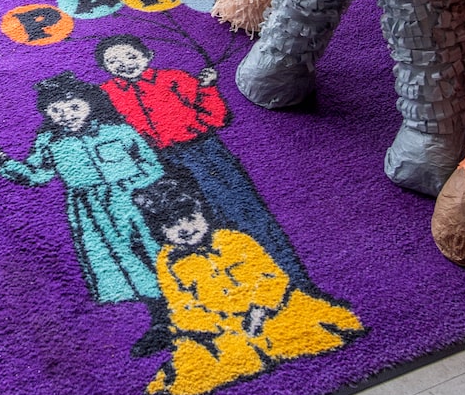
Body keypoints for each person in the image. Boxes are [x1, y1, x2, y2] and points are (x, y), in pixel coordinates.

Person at [95, 34, 310, 288]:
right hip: (155, 163)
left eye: (131, 56)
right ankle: (209, 289)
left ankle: (289, 279)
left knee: (237, 208)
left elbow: (217, 117)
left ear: (147, 56)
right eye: (113, 61)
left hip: (203, 152)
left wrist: (207, 89)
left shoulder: (173, 78)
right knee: (182, 226)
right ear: (105, 68)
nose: (124, 64)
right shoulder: (105, 96)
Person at [0, 71, 172, 353]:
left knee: (155, 250)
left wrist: (147, 191)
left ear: (90, 102)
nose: (66, 115)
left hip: (135, 199)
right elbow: (38, 175)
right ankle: (161, 320)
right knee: (123, 261)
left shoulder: (118, 130)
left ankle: (189, 303)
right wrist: (5, 164)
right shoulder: (49, 142)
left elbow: (150, 162)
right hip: (93, 211)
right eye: (56, 110)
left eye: (74, 107)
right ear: (46, 112)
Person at [132, 177, 365, 395]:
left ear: (202, 213)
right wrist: (221, 324)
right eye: (172, 224)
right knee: (206, 362)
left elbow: (272, 277)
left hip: (265, 310)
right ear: (159, 231)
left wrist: (258, 310)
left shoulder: (235, 239)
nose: (184, 228)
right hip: (218, 326)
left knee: (307, 327)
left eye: (190, 218)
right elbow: (181, 306)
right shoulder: (167, 261)